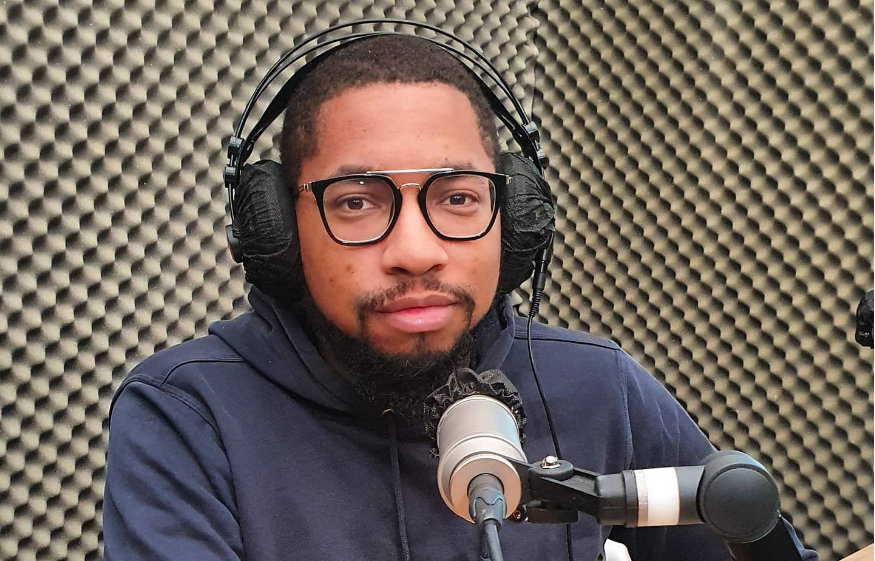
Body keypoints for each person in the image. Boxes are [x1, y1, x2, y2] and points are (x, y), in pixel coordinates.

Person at [102, 31, 818, 561]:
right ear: (279, 230)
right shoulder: (188, 414)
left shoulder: (598, 385)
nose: (416, 250)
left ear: (517, 218)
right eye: (356, 201)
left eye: (457, 196)